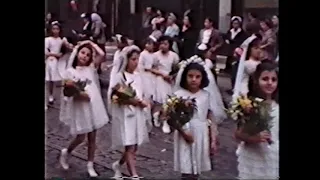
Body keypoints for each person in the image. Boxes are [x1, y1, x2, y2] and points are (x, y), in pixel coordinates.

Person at [59, 42, 109, 178]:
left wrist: (90, 43)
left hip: (93, 106)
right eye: (82, 53)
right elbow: (67, 91)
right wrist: (79, 93)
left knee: (93, 137)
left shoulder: (91, 68)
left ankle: (90, 164)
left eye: (88, 55)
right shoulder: (70, 72)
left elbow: (102, 54)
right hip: (81, 107)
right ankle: (66, 151)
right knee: (81, 136)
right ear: (77, 54)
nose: (85, 56)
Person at [166, 60, 219, 180]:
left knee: (197, 165)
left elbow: (210, 116)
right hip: (185, 132)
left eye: (197, 76)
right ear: (185, 77)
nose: (194, 79)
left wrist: (213, 138)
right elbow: (172, 117)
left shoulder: (206, 95)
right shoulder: (179, 94)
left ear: (202, 78)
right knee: (186, 164)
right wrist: (183, 132)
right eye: (190, 76)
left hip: (201, 132)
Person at [109, 46, 150, 179]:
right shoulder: (120, 76)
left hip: (137, 113)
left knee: (135, 145)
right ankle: (134, 174)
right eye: (133, 59)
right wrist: (130, 100)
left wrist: (143, 102)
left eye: (137, 59)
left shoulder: (138, 76)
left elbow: (142, 92)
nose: (136, 62)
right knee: (129, 145)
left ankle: (118, 164)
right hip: (126, 114)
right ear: (126, 60)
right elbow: (115, 97)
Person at [235, 61, 279, 179]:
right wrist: (253, 138)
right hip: (253, 155)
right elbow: (238, 133)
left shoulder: (277, 106)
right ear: (256, 80)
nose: (270, 83)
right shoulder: (249, 105)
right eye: (265, 79)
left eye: (273, 80)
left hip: (273, 156)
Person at [149, 36, 179, 132]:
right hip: (159, 79)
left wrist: (172, 76)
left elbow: (176, 68)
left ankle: (164, 118)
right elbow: (150, 68)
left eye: (165, 44)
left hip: (170, 80)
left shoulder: (173, 56)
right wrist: (161, 74)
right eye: (161, 43)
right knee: (162, 100)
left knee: (169, 101)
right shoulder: (155, 55)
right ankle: (162, 119)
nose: (163, 46)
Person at [45, 21, 73, 107]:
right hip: (52, 59)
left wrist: (64, 50)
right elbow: (45, 51)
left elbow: (67, 48)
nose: (55, 31)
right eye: (54, 29)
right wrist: (54, 55)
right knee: (50, 79)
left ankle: (65, 94)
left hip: (60, 60)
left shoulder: (61, 40)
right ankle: (50, 95)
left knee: (63, 76)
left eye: (57, 29)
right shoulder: (48, 39)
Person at [232, 35, 262, 100]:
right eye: (256, 48)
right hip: (248, 93)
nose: (259, 50)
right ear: (249, 49)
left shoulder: (260, 62)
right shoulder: (248, 64)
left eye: (260, 48)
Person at [107, 35, 129, 112]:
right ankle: (111, 110)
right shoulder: (117, 52)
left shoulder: (124, 54)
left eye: (118, 42)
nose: (117, 44)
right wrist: (109, 66)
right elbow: (115, 63)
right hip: (113, 73)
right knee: (110, 90)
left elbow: (123, 65)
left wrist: (120, 75)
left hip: (119, 74)